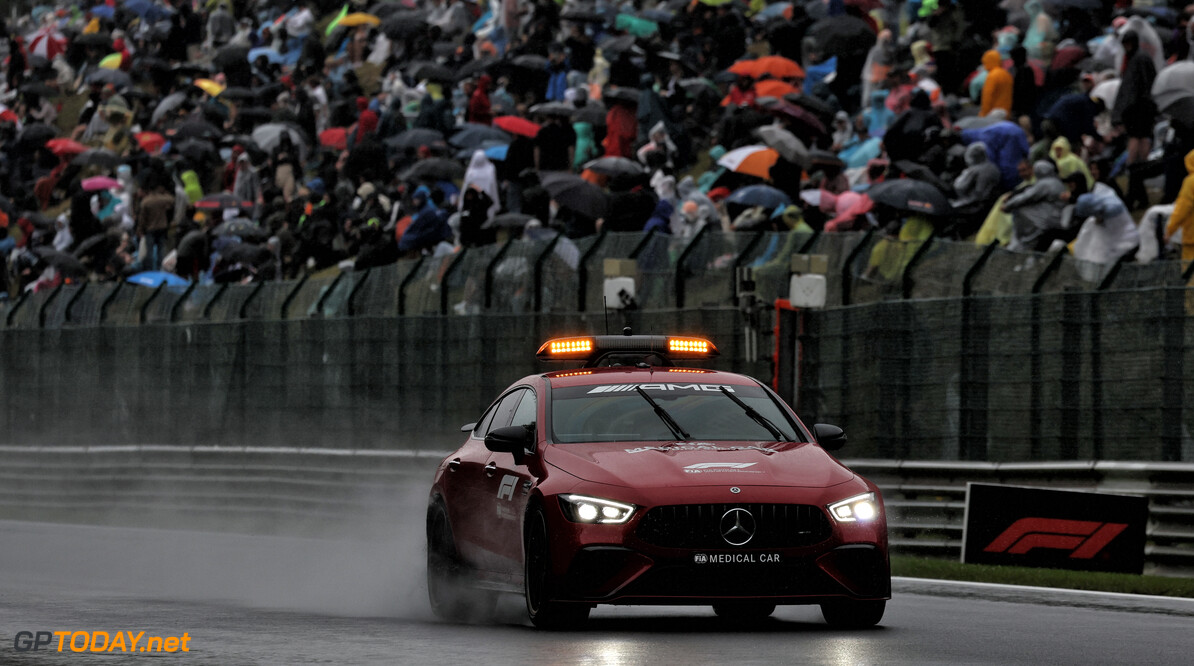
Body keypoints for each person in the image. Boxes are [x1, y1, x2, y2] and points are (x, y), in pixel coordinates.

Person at [1112, 31, 1158, 210]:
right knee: (1138, 156)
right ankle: (1138, 195)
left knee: (1135, 157)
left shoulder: (1138, 59)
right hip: (1140, 113)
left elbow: (1140, 87)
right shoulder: (1138, 58)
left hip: (1139, 113)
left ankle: (1134, 195)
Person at [1002, 160, 1066, 252]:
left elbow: (1026, 197)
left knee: (1020, 210)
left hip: (1050, 218)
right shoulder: (1056, 182)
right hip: (1055, 215)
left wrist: (1008, 206)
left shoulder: (1045, 183)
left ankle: (1023, 243)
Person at [1165, 148, 1194, 267]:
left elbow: (1182, 209)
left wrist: (1169, 230)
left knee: (1190, 275)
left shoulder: (1191, 182)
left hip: (1192, 238)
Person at [979, 49, 1013, 118]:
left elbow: (987, 95)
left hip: (994, 112)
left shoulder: (992, 75)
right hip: (1006, 111)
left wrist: (984, 113)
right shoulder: (1006, 74)